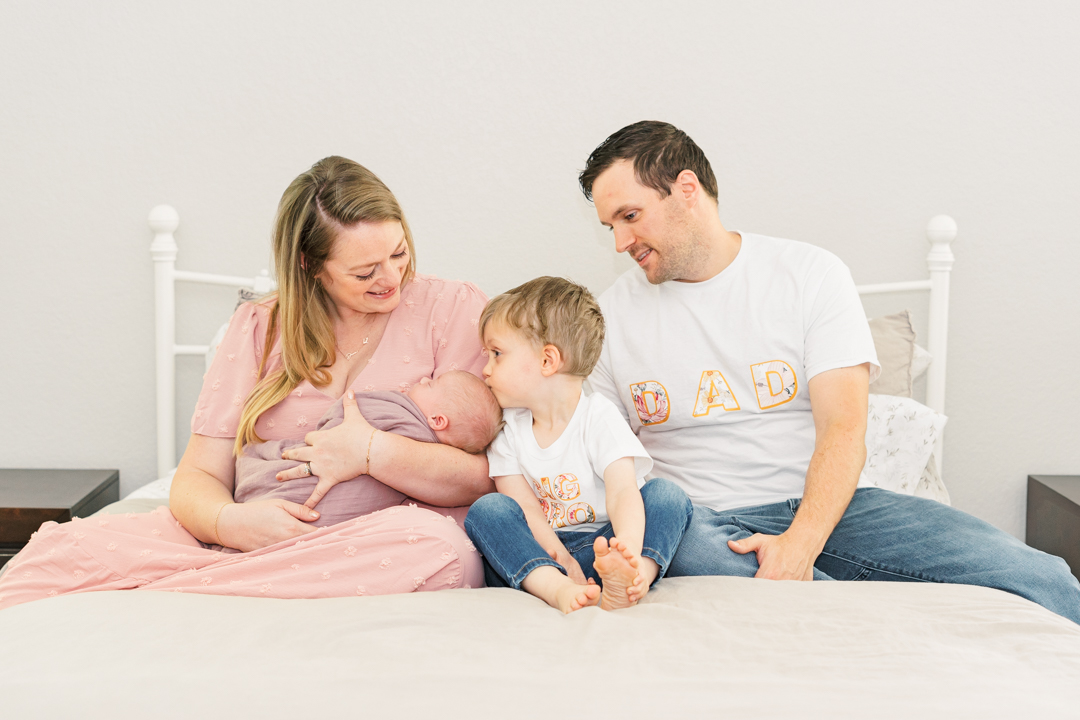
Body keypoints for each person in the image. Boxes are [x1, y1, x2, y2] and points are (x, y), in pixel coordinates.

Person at [577, 120, 1080, 624]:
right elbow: (600, 455)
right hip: (697, 525)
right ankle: (863, 623)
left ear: (686, 190)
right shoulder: (610, 318)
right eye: (610, 227)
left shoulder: (809, 275)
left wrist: (801, 543)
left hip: (831, 511)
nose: (621, 241)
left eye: (630, 215)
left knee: (1045, 578)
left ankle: (829, 602)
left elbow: (843, 428)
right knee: (687, 550)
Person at [0, 157, 493, 610]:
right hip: (253, 534)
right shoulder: (258, 327)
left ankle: (177, 587)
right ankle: (236, 571)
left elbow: (490, 476)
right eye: (365, 271)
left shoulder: (453, 310)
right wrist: (230, 524)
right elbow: (198, 476)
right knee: (61, 551)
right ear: (310, 266)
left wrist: (371, 452)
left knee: (439, 550)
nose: (392, 278)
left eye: (399, 253)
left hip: (383, 539)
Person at [464, 277, 692, 614]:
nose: (486, 369)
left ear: (547, 360)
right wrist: (565, 564)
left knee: (666, 496)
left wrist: (623, 551)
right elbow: (524, 508)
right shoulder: (507, 430)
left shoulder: (599, 417)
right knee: (488, 510)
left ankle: (632, 579)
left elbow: (622, 493)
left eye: (497, 353)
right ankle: (555, 589)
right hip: (543, 552)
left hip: (605, 542)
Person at [239, 370, 502, 529]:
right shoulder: (396, 411)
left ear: (437, 421)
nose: (423, 379)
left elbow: (338, 418)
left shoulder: (410, 426)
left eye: (431, 384)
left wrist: (367, 448)